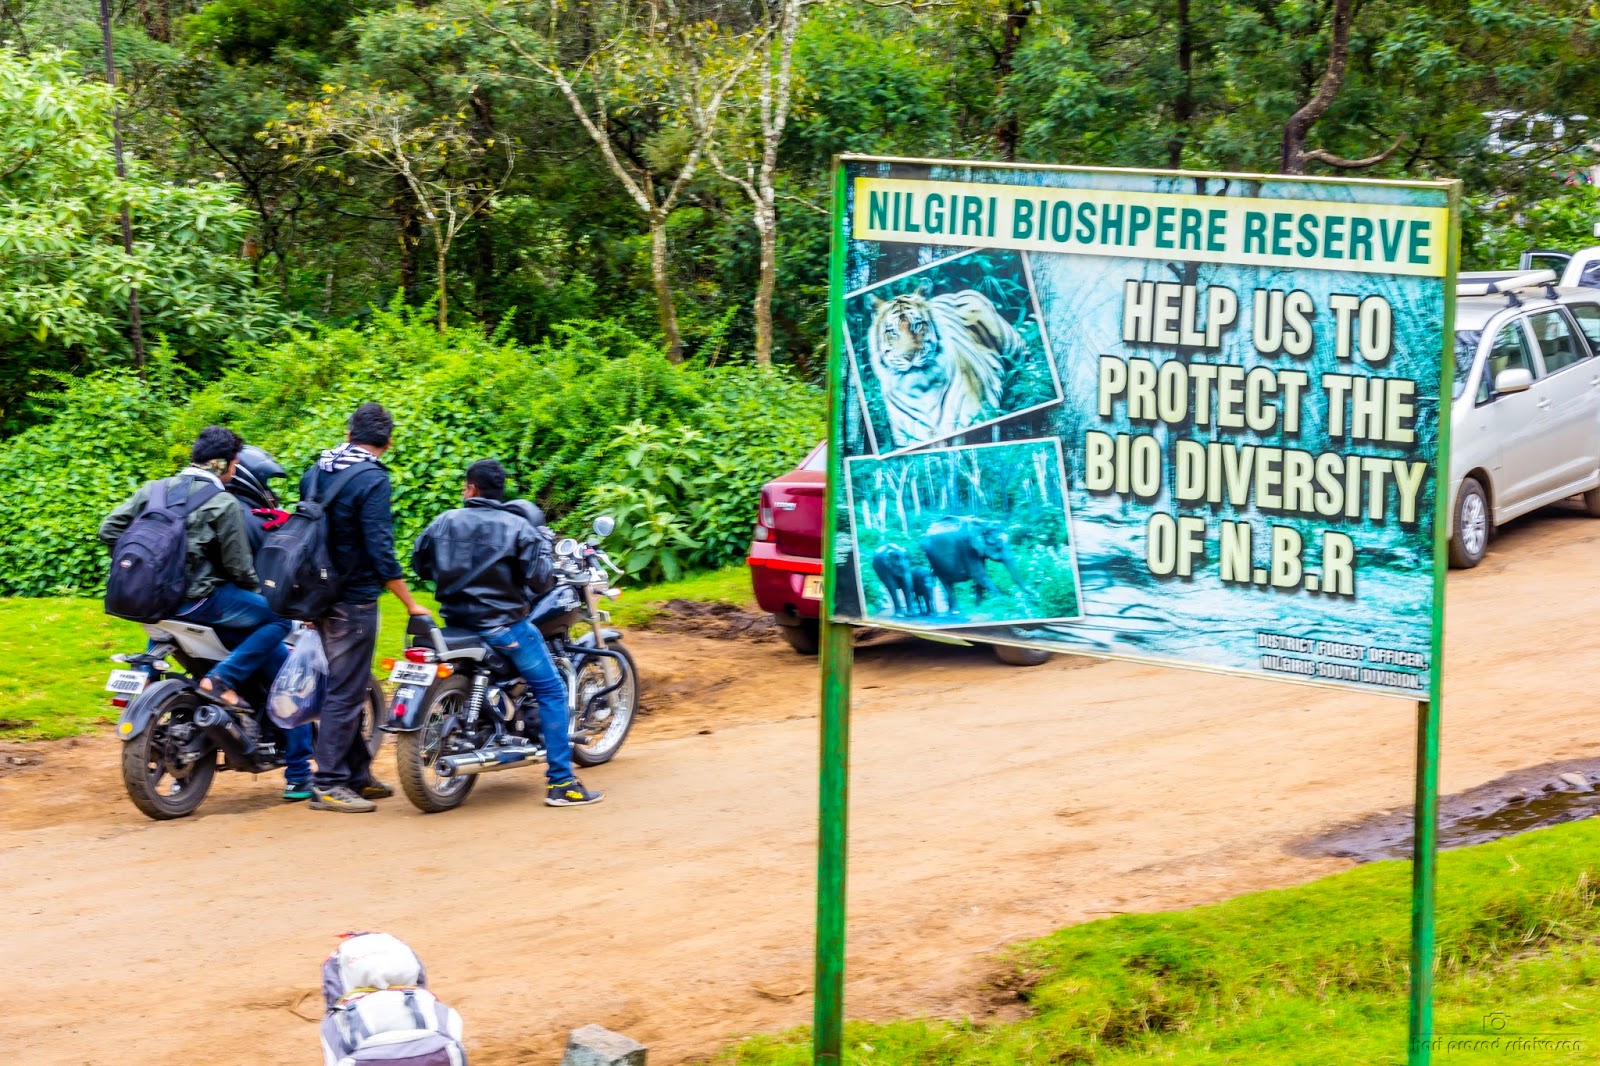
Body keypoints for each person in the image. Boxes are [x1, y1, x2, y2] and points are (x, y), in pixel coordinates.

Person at [99, 427, 313, 799]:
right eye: (232, 464)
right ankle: (294, 771)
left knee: (165, 636)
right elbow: (238, 568)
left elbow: (109, 530)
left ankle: (153, 678)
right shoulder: (222, 501)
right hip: (196, 602)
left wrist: (146, 570)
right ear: (227, 465)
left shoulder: (155, 489)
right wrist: (260, 592)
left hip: (144, 603)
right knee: (276, 620)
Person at [412, 458, 603, 807]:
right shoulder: (518, 529)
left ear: (471, 489)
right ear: (500, 493)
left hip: (454, 623)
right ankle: (562, 782)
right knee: (552, 690)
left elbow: (419, 564)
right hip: (503, 627)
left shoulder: (443, 522)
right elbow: (541, 580)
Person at [302, 402, 430, 814]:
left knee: (349, 684)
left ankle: (357, 775)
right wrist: (409, 603)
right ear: (387, 442)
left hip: (314, 592)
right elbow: (379, 548)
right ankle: (327, 782)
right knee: (345, 690)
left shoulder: (318, 469)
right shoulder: (372, 479)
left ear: (349, 433)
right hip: (352, 597)